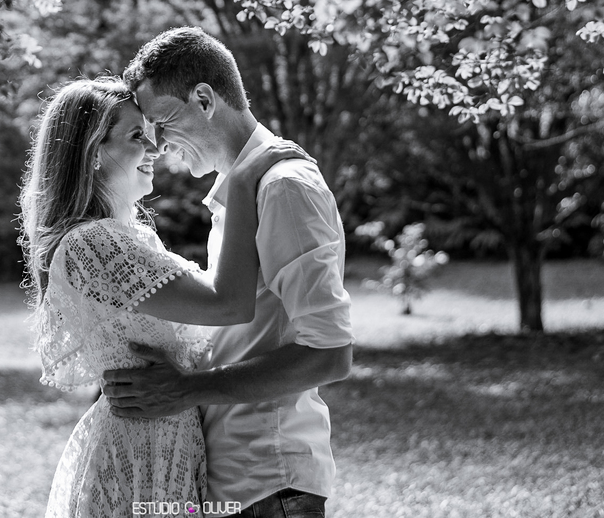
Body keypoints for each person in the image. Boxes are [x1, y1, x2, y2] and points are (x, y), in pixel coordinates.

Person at [21, 76, 304, 518]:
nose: (155, 148)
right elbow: (227, 305)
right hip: (139, 453)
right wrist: (244, 176)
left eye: (152, 133)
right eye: (137, 135)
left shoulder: (125, 237)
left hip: (165, 444)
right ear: (94, 153)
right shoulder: (92, 244)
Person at [104, 28, 354, 518]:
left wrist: (185, 390)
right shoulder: (240, 191)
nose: (158, 143)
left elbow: (331, 356)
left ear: (203, 99)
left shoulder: (282, 188)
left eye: (161, 122)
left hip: (272, 479)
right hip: (234, 480)